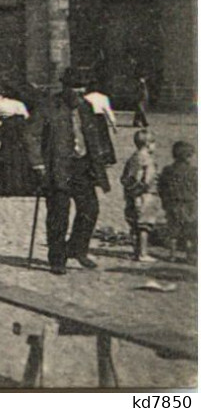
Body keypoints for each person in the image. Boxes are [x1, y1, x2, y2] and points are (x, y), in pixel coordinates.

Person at [33, 67, 117, 274]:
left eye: (83, 89)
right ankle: (57, 258)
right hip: (57, 167)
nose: (80, 93)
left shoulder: (87, 107)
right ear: (65, 87)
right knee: (58, 215)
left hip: (82, 167)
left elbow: (96, 133)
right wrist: (38, 164)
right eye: (76, 89)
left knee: (90, 209)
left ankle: (77, 249)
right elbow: (32, 135)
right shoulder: (48, 106)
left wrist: (101, 158)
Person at [0, 87, 39, 196]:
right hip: (20, 132)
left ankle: (8, 186)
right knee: (22, 158)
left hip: (8, 132)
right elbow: (27, 118)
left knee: (8, 158)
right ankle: (25, 186)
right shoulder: (18, 103)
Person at [120, 130, 160, 263]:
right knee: (144, 226)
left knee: (135, 225)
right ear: (148, 144)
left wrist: (131, 192)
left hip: (132, 195)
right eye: (154, 143)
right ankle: (143, 253)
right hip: (145, 195)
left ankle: (136, 251)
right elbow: (147, 180)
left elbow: (125, 178)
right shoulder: (148, 160)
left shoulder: (132, 158)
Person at [158, 141, 196, 264]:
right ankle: (189, 256)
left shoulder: (167, 170)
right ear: (189, 156)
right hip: (190, 205)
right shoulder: (194, 171)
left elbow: (161, 187)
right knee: (190, 232)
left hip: (172, 204)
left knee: (173, 231)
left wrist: (164, 201)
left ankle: (172, 255)